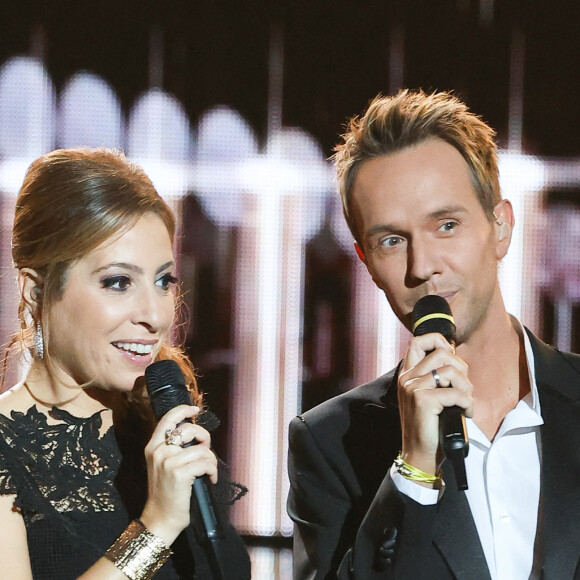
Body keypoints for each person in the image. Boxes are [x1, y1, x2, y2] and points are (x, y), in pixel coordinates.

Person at [287, 89, 580, 579]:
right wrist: (415, 469)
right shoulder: (330, 442)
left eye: (446, 225)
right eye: (392, 240)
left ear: (500, 227)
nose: (423, 267)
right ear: (367, 263)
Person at [0, 148, 250, 579]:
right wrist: (156, 526)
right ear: (35, 291)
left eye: (163, 281)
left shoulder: (163, 432)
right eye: (118, 282)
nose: (154, 315)